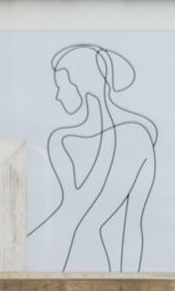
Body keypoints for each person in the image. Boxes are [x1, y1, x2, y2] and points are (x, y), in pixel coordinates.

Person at [29, 43, 158, 271]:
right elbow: (74, 207)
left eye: (62, 86)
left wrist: (130, 287)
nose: (58, 96)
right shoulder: (60, 140)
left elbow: (131, 226)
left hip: (81, 258)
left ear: (81, 84)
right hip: (47, 253)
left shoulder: (136, 137)